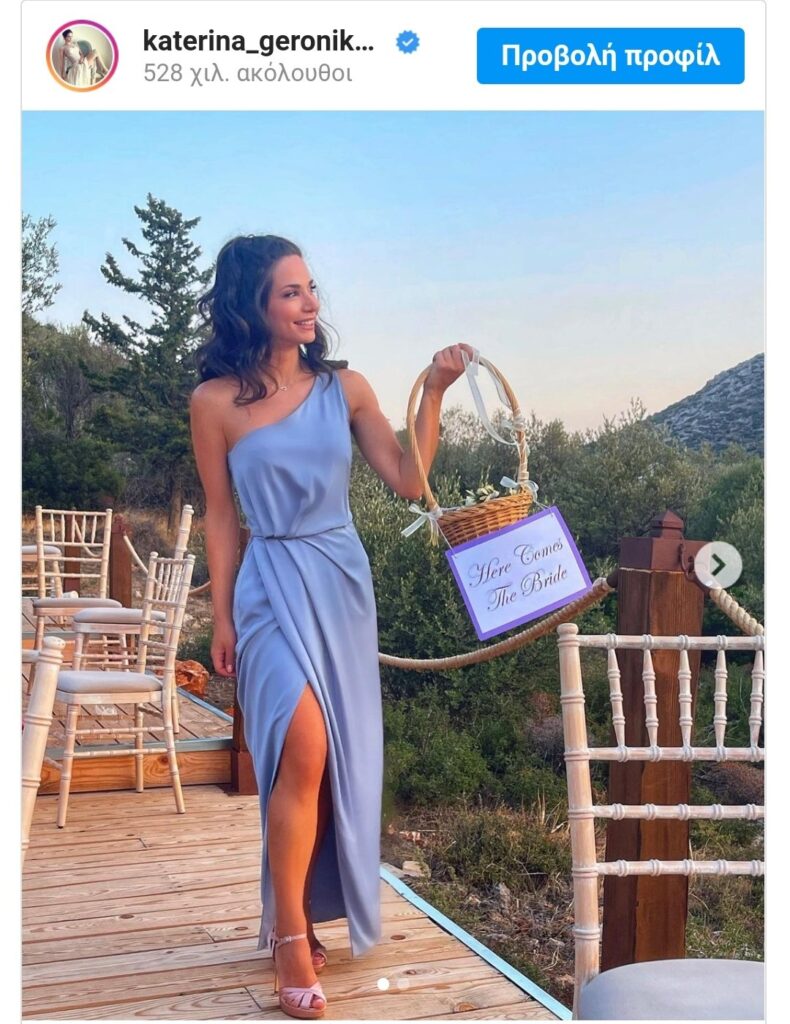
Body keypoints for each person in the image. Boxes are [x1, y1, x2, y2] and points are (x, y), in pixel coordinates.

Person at [189, 234, 472, 1018]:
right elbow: (221, 515)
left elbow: (410, 480)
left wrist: (434, 392)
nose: (310, 303)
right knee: (303, 748)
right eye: (290, 291)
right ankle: (289, 935)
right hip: (268, 587)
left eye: (311, 287)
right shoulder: (213, 403)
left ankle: (301, 914)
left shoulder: (344, 389)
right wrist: (221, 614)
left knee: (327, 761)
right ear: (251, 305)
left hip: (340, 582)